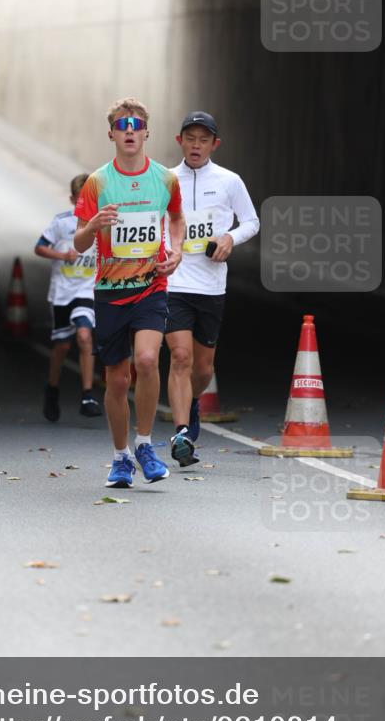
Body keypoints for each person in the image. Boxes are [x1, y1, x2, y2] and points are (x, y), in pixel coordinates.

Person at [74, 97, 184, 489]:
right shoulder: (98, 182)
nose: (130, 130)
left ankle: (145, 445)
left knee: (149, 359)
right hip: (109, 291)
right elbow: (79, 243)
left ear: (147, 132)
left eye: (136, 124)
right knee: (118, 381)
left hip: (151, 286)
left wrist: (176, 250)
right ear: (111, 134)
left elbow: (176, 218)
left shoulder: (165, 179)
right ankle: (120, 457)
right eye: (122, 125)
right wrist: (94, 225)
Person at [166, 111, 259, 466]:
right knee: (180, 357)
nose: (196, 145)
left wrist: (229, 238)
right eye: (190, 138)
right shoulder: (165, 179)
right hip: (173, 282)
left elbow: (251, 221)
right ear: (179, 141)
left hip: (210, 286)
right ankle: (181, 434)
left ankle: (190, 400)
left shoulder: (229, 181)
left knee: (202, 369)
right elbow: (156, 222)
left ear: (214, 144)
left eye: (203, 139)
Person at [35, 174, 102, 422]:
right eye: (81, 199)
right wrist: (62, 256)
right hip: (62, 292)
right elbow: (39, 247)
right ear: (73, 199)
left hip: (86, 291)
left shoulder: (101, 221)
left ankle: (87, 394)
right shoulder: (62, 222)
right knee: (62, 345)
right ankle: (52, 389)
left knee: (85, 335)